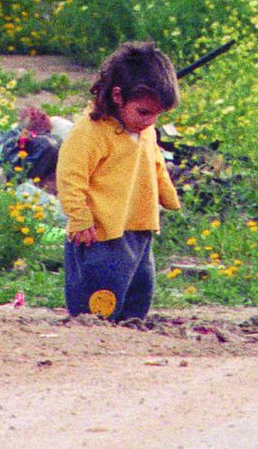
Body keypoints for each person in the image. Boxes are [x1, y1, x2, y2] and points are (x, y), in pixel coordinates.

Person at [57, 41, 181, 321]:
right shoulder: (91, 132)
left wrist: (167, 194)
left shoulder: (144, 129)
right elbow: (70, 176)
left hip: (138, 225)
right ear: (117, 96)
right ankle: (96, 333)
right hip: (99, 232)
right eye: (144, 112)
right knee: (101, 294)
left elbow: (155, 163)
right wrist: (79, 217)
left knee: (139, 288)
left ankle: (129, 329)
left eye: (158, 114)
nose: (151, 121)